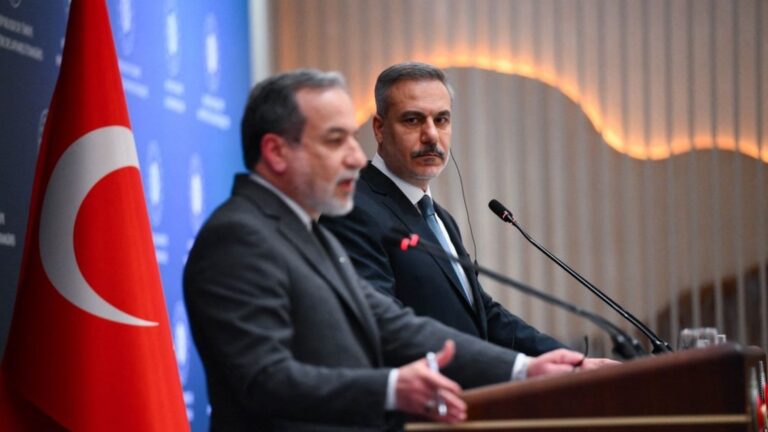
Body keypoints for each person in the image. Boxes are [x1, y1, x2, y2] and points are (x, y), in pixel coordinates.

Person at [184, 69, 608, 432]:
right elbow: (263, 379)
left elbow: (393, 325)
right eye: (336, 140)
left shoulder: (307, 235)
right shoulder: (237, 237)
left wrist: (525, 368)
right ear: (277, 151)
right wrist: (389, 388)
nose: (356, 157)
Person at [321, 62, 566, 356]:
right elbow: (384, 327)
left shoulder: (441, 219)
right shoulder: (351, 210)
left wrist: (567, 359)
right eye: (413, 120)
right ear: (380, 128)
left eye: (441, 120)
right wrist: (514, 366)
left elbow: (482, 315)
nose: (432, 135)